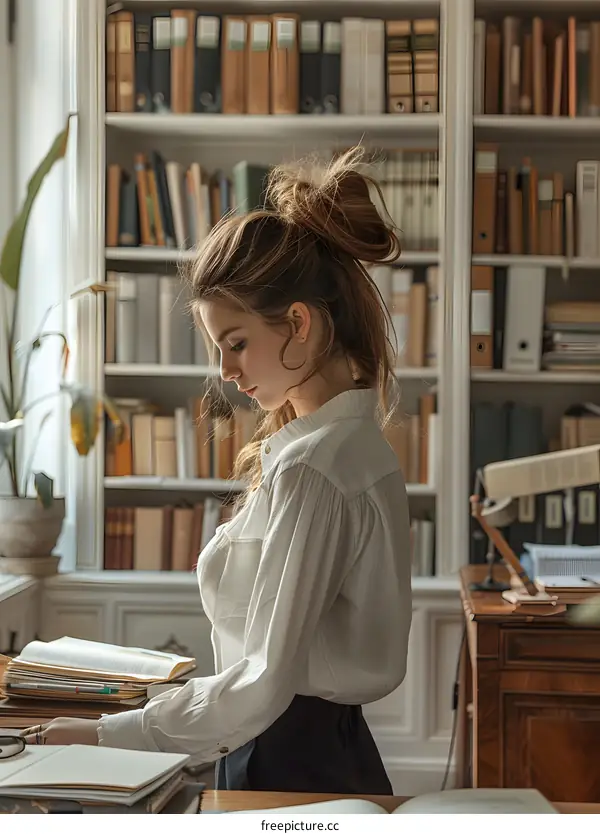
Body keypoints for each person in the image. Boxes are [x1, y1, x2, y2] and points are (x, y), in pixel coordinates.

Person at [24, 147, 412, 795]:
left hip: (287, 760)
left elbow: (262, 682)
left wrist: (104, 733)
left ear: (298, 322)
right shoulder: (345, 447)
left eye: (235, 343)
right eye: (217, 349)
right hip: (307, 747)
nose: (226, 373)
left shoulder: (317, 468)